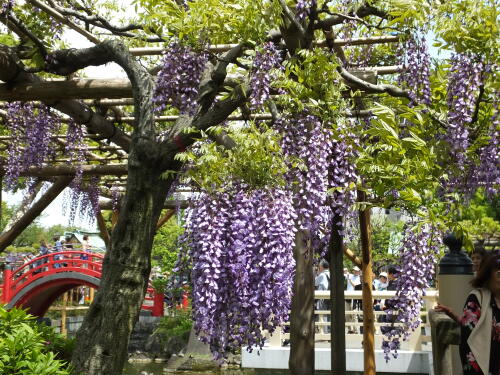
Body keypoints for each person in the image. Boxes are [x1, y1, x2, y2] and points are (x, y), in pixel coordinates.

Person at [436, 253, 500, 375]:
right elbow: (469, 335)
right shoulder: (477, 298)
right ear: (488, 276)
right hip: (485, 366)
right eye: (499, 274)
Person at [314, 259, 331, 334]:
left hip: (323, 297)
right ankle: (329, 331)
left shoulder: (322, 275)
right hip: (330, 296)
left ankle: (324, 332)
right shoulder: (330, 274)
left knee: (323, 314)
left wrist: (317, 273)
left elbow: (315, 283)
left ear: (321, 267)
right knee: (329, 314)